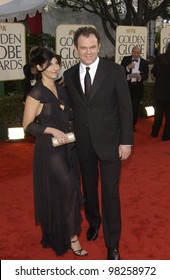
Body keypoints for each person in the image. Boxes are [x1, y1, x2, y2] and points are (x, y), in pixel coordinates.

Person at [64, 27, 133, 260]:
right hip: (83, 144)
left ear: (99, 46)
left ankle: (112, 244)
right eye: (83, 48)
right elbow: (68, 107)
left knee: (110, 193)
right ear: (75, 49)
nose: (88, 52)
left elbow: (125, 108)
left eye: (92, 47)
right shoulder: (70, 74)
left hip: (111, 143)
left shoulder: (114, 71)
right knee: (89, 190)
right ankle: (94, 222)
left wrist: (126, 142)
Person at [23, 46, 88, 257]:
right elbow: (27, 126)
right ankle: (71, 237)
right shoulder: (36, 93)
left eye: (57, 63)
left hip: (69, 147)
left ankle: (68, 233)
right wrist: (50, 129)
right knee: (69, 187)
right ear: (39, 67)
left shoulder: (62, 89)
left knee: (67, 192)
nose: (55, 67)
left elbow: (70, 116)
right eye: (50, 64)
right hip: (48, 150)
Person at [121, 46, 149, 132]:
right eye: (134, 52)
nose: (136, 54)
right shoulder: (126, 59)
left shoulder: (144, 62)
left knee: (135, 107)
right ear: (131, 51)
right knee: (125, 107)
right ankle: (124, 124)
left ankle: (132, 125)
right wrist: (127, 68)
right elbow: (120, 71)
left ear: (140, 53)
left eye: (137, 52)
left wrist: (140, 77)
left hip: (138, 88)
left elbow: (146, 75)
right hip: (127, 87)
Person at [150, 42, 170, 141]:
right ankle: (166, 135)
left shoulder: (159, 58)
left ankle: (154, 133)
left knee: (158, 113)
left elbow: (154, 73)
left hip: (160, 90)